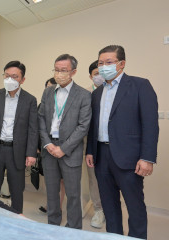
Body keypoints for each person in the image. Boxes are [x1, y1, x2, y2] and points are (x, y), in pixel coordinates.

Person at [86, 45, 159, 239]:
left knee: (134, 206)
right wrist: (90, 151)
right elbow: (94, 126)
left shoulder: (140, 85)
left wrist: (147, 158)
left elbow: (150, 124)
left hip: (129, 158)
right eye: (100, 63)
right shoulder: (97, 93)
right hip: (102, 157)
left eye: (108, 62)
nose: (103, 67)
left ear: (121, 64)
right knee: (109, 206)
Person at [38, 54, 91, 229]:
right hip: (49, 149)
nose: (59, 73)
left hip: (70, 151)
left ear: (73, 72)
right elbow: (41, 119)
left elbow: (83, 126)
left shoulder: (83, 95)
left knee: (73, 194)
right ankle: (52, 225)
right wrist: (48, 144)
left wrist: (64, 148)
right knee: (52, 194)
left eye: (64, 70)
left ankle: (74, 229)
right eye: (56, 69)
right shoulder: (48, 92)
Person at [0, 60, 38, 214]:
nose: (10, 80)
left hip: (17, 151)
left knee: (17, 190)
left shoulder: (30, 100)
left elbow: (33, 129)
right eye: (7, 76)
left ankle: (17, 218)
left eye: (14, 76)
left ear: (23, 79)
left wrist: (31, 153)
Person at [38, 78, 65, 214]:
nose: (49, 90)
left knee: (62, 180)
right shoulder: (41, 105)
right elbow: (38, 127)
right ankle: (51, 205)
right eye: (47, 87)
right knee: (50, 180)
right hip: (46, 148)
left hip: (64, 149)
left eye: (52, 87)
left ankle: (58, 206)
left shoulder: (66, 103)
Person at [84, 60, 105, 229]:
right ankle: (99, 210)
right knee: (94, 179)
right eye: (95, 73)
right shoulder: (86, 95)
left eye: (101, 72)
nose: (99, 76)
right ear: (91, 76)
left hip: (113, 145)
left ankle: (111, 207)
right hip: (91, 144)